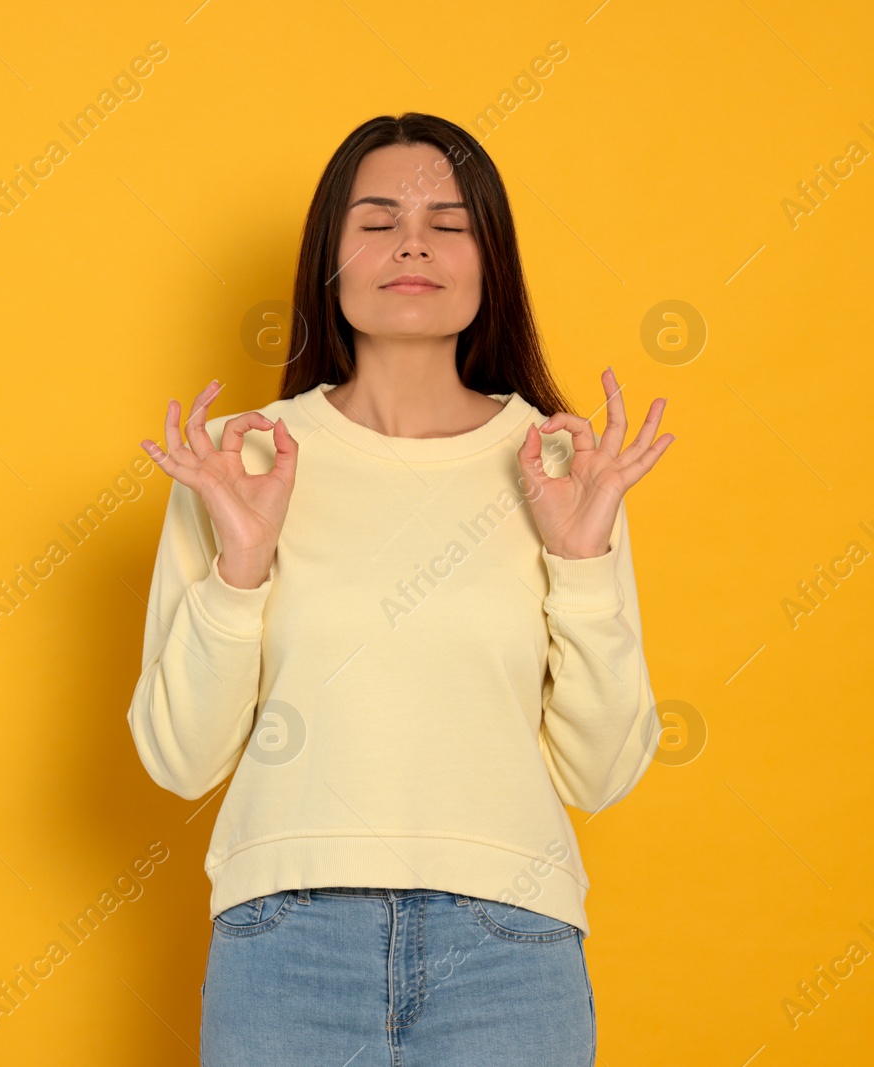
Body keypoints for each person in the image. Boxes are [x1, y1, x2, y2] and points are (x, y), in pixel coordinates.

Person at [126, 112, 674, 1066]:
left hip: (511, 948)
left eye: (448, 222)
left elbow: (603, 773)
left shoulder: (560, 463)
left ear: (489, 258)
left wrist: (582, 565)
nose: (412, 242)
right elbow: (180, 757)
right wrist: (241, 564)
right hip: (287, 945)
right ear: (329, 259)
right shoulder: (243, 460)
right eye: (377, 221)